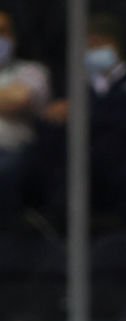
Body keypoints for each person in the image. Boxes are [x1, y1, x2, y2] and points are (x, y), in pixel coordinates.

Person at [40, 13, 126, 230]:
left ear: (115, 45)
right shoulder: (75, 85)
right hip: (85, 157)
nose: (91, 51)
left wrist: (87, 113)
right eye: (87, 45)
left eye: (97, 43)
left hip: (125, 155)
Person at [0, 7, 49, 226]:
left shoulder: (31, 71)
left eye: (2, 32)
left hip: (16, 151)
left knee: (6, 170)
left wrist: (10, 99)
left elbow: (18, 101)